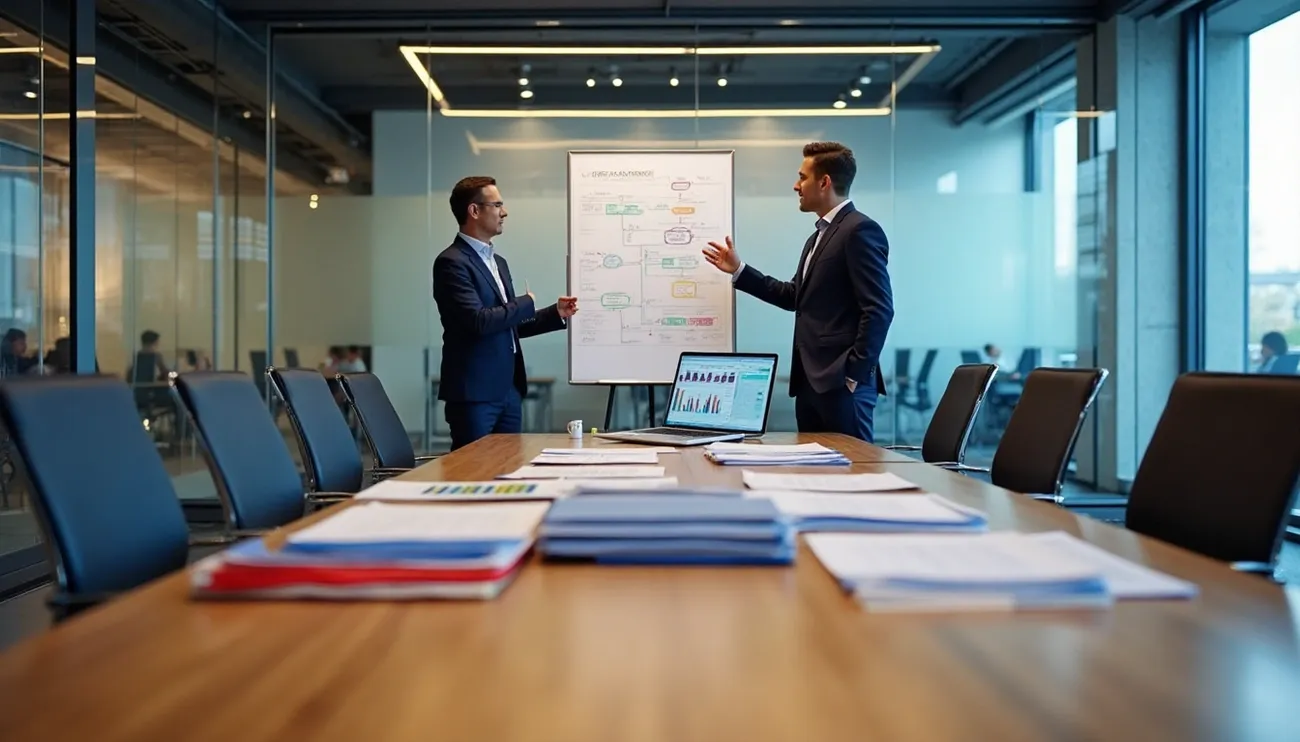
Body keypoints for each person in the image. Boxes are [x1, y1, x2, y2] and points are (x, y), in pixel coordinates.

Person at [703, 141, 893, 442]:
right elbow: (795, 296)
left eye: (802, 177)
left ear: (824, 182)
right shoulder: (818, 237)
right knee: (814, 473)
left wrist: (854, 374)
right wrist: (740, 271)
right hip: (810, 384)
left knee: (854, 474)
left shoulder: (858, 230)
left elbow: (879, 309)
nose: (796, 185)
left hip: (842, 384)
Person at [433, 175, 578, 450]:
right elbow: (478, 321)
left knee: (508, 470)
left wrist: (554, 313)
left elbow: (510, 324)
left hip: (509, 391)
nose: (504, 212)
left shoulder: (498, 262)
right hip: (474, 394)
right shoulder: (451, 263)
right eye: (497, 204)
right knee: (474, 476)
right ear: (474, 211)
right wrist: (525, 303)